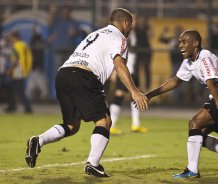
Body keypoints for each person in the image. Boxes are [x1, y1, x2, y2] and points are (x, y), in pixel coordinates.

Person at [25, 8, 148, 177]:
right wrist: (135, 92)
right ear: (126, 22)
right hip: (84, 76)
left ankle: (38, 140)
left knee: (72, 125)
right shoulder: (119, 37)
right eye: (131, 24)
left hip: (64, 74)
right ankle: (93, 164)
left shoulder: (96, 33)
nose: (131, 28)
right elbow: (120, 65)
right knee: (104, 120)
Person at [145, 30, 218, 178]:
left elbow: (211, 81)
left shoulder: (205, 56)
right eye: (180, 42)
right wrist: (150, 95)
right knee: (199, 136)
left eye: (184, 42)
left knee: (194, 123)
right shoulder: (188, 62)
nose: (180, 45)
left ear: (195, 44)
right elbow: (175, 82)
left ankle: (192, 170)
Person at [109, 13, 147, 135]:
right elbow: (116, 53)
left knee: (135, 97)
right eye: (132, 20)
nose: (134, 22)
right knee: (119, 95)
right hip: (124, 70)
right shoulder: (123, 34)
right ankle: (111, 124)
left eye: (135, 19)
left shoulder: (135, 34)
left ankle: (136, 124)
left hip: (132, 71)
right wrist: (114, 70)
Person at [5, 31, 33, 113]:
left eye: (11, 38)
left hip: (18, 70)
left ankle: (27, 108)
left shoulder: (16, 46)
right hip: (24, 69)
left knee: (19, 90)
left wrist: (10, 70)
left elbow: (16, 60)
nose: (10, 39)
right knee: (12, 88)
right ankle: (12, 106)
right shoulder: (24, 44)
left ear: (15, 37)